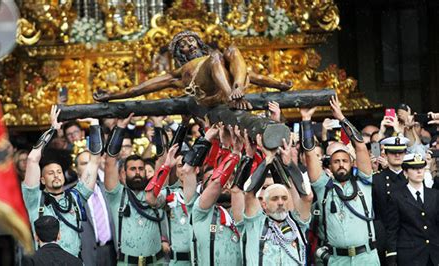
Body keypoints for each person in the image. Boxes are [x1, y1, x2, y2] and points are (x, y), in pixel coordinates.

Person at [93, 30, 292, 110]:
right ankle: (231, 94)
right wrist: (111, 96)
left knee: (231, 50)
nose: (188, 44)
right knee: (216, 57)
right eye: (183, 45)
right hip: (207, 88)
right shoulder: (177, 73)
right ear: (179, 53)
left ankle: (235, 91)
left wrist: (279, 85)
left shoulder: (219, 59)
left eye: (191, 40)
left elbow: (253, 75)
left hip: (231, 84)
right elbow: (139, 89)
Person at [301, 96, 380, 265]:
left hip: (366, 258)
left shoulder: (364, 182)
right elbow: (309, 154)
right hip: (337, 260)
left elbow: (360, 145)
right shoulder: (323, 187)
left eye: (345, 160)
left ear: (352, 163)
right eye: (336, 162)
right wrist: (306, 121)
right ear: (329, 165)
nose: (341, 164)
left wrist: (341, 117)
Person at [22, 106, 100, 257]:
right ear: (42, 180)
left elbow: (94, 161)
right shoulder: (34, 200)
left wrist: (95, 125)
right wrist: (52, 129)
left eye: (59, 172)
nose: (56, 175)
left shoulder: (76, 197)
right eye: (51, 173)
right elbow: (32, 159)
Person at [145, 124, 218, 265]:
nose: (184, 169)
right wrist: (166, 166)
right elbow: (150, 198)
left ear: (196, 169)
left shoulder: (207, 193)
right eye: (179, 166)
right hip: (178, 261)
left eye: (187, 164)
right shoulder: (170, 193)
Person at [103, 115, 168, 265]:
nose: (138, 172)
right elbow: (109, 162)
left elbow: (162, 160)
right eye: (133, 169)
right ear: (124, 173)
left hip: (157, 262)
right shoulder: (116, 195)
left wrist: (158, 126)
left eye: (141, 169)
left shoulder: (154, 192)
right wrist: (119, 128)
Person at [244, 134, 313, 265]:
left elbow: (307, 197)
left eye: (284, 198)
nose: (280, 202)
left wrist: (289, 164)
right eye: (275, 199)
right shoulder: (255, 223)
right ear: (264, 204)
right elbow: (249, 193)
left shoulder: (298, 223)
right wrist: (268, 158)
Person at [191, 124, 245, 265]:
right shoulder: (200, 211)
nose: (225, 184)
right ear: (203, 187)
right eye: (223, 180)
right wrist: (233, 153)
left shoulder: (247, 211)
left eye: (231, 180)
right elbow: (217, 183)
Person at [385, 153, 439, 266]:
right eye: (414, 169)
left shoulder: (434, 195)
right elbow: (392, 230)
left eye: (421, 168)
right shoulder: (396, 197)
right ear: (405, 172)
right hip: (410, 256)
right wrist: (391, 257)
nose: (419, 172)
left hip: (434, 255)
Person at [76, 151, 117, 266]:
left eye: (91, 162)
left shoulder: (108, 190)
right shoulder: (72, 194)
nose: (89, 167)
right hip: (86, 254)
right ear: (76, 169)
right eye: (84, 163)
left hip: (112, 251)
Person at [372, 136, 409, 265]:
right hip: (385, 238)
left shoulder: (413, 178)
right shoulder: (376, 180)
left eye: (401, 152)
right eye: (393, 152)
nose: (397, 155)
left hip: (410, 238)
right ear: (385, 154)